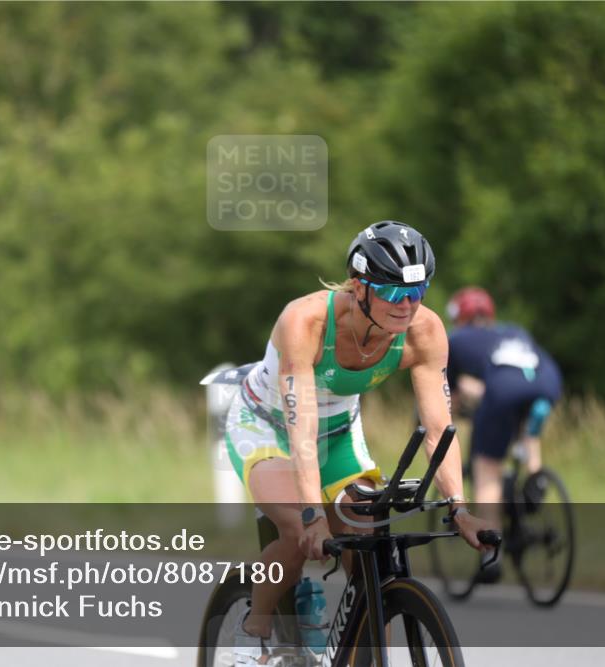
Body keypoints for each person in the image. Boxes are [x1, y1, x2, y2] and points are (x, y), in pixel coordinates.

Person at [224, 221, 491, 664]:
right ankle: (254, 631)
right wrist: (313, 514)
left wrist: (459, 508)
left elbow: (439, 428)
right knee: (298, 531)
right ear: (359, 286)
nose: (406, 305)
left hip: (339, 431)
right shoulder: (305, 321)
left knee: (368, 540)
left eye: (418, 290)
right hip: (270, 428)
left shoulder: (424, 330)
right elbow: (301, 429)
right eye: (392, 293)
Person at [445, 286, 563, 580]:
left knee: (487, 467)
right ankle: (535, 478)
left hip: (503, 390)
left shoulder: (455, 340)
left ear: (459, 318)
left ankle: (491, 554)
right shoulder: (514, 330)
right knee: (526, 425)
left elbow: (449, 396)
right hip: (547, 383)